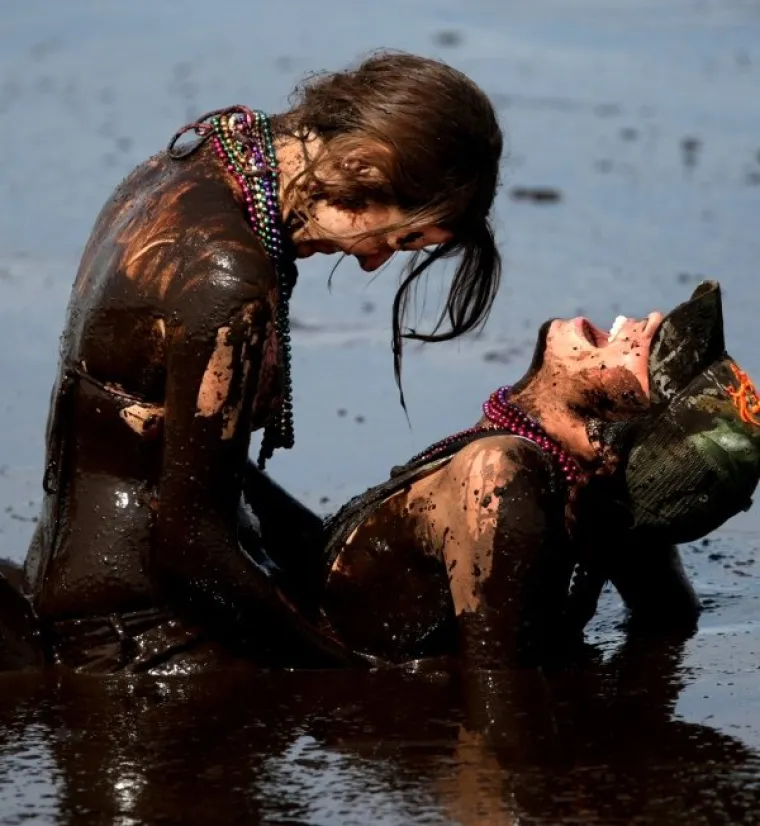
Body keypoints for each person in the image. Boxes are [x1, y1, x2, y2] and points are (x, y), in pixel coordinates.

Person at [20, 51, 503, 672]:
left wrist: (322, 545)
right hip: (144, 635)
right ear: (363, 164)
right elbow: (191, 548)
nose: (375, 261)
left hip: (74, 578)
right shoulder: (229, 278)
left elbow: (184, 468)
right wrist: (359, 673)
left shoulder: (195, 157)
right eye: (399, 236)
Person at [315, 282, 760, 669]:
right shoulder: (599, 499)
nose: (651, 321)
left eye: (662, 359)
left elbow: (501, 706)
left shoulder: (501, 474)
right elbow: (671, 616)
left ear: (605, 443)